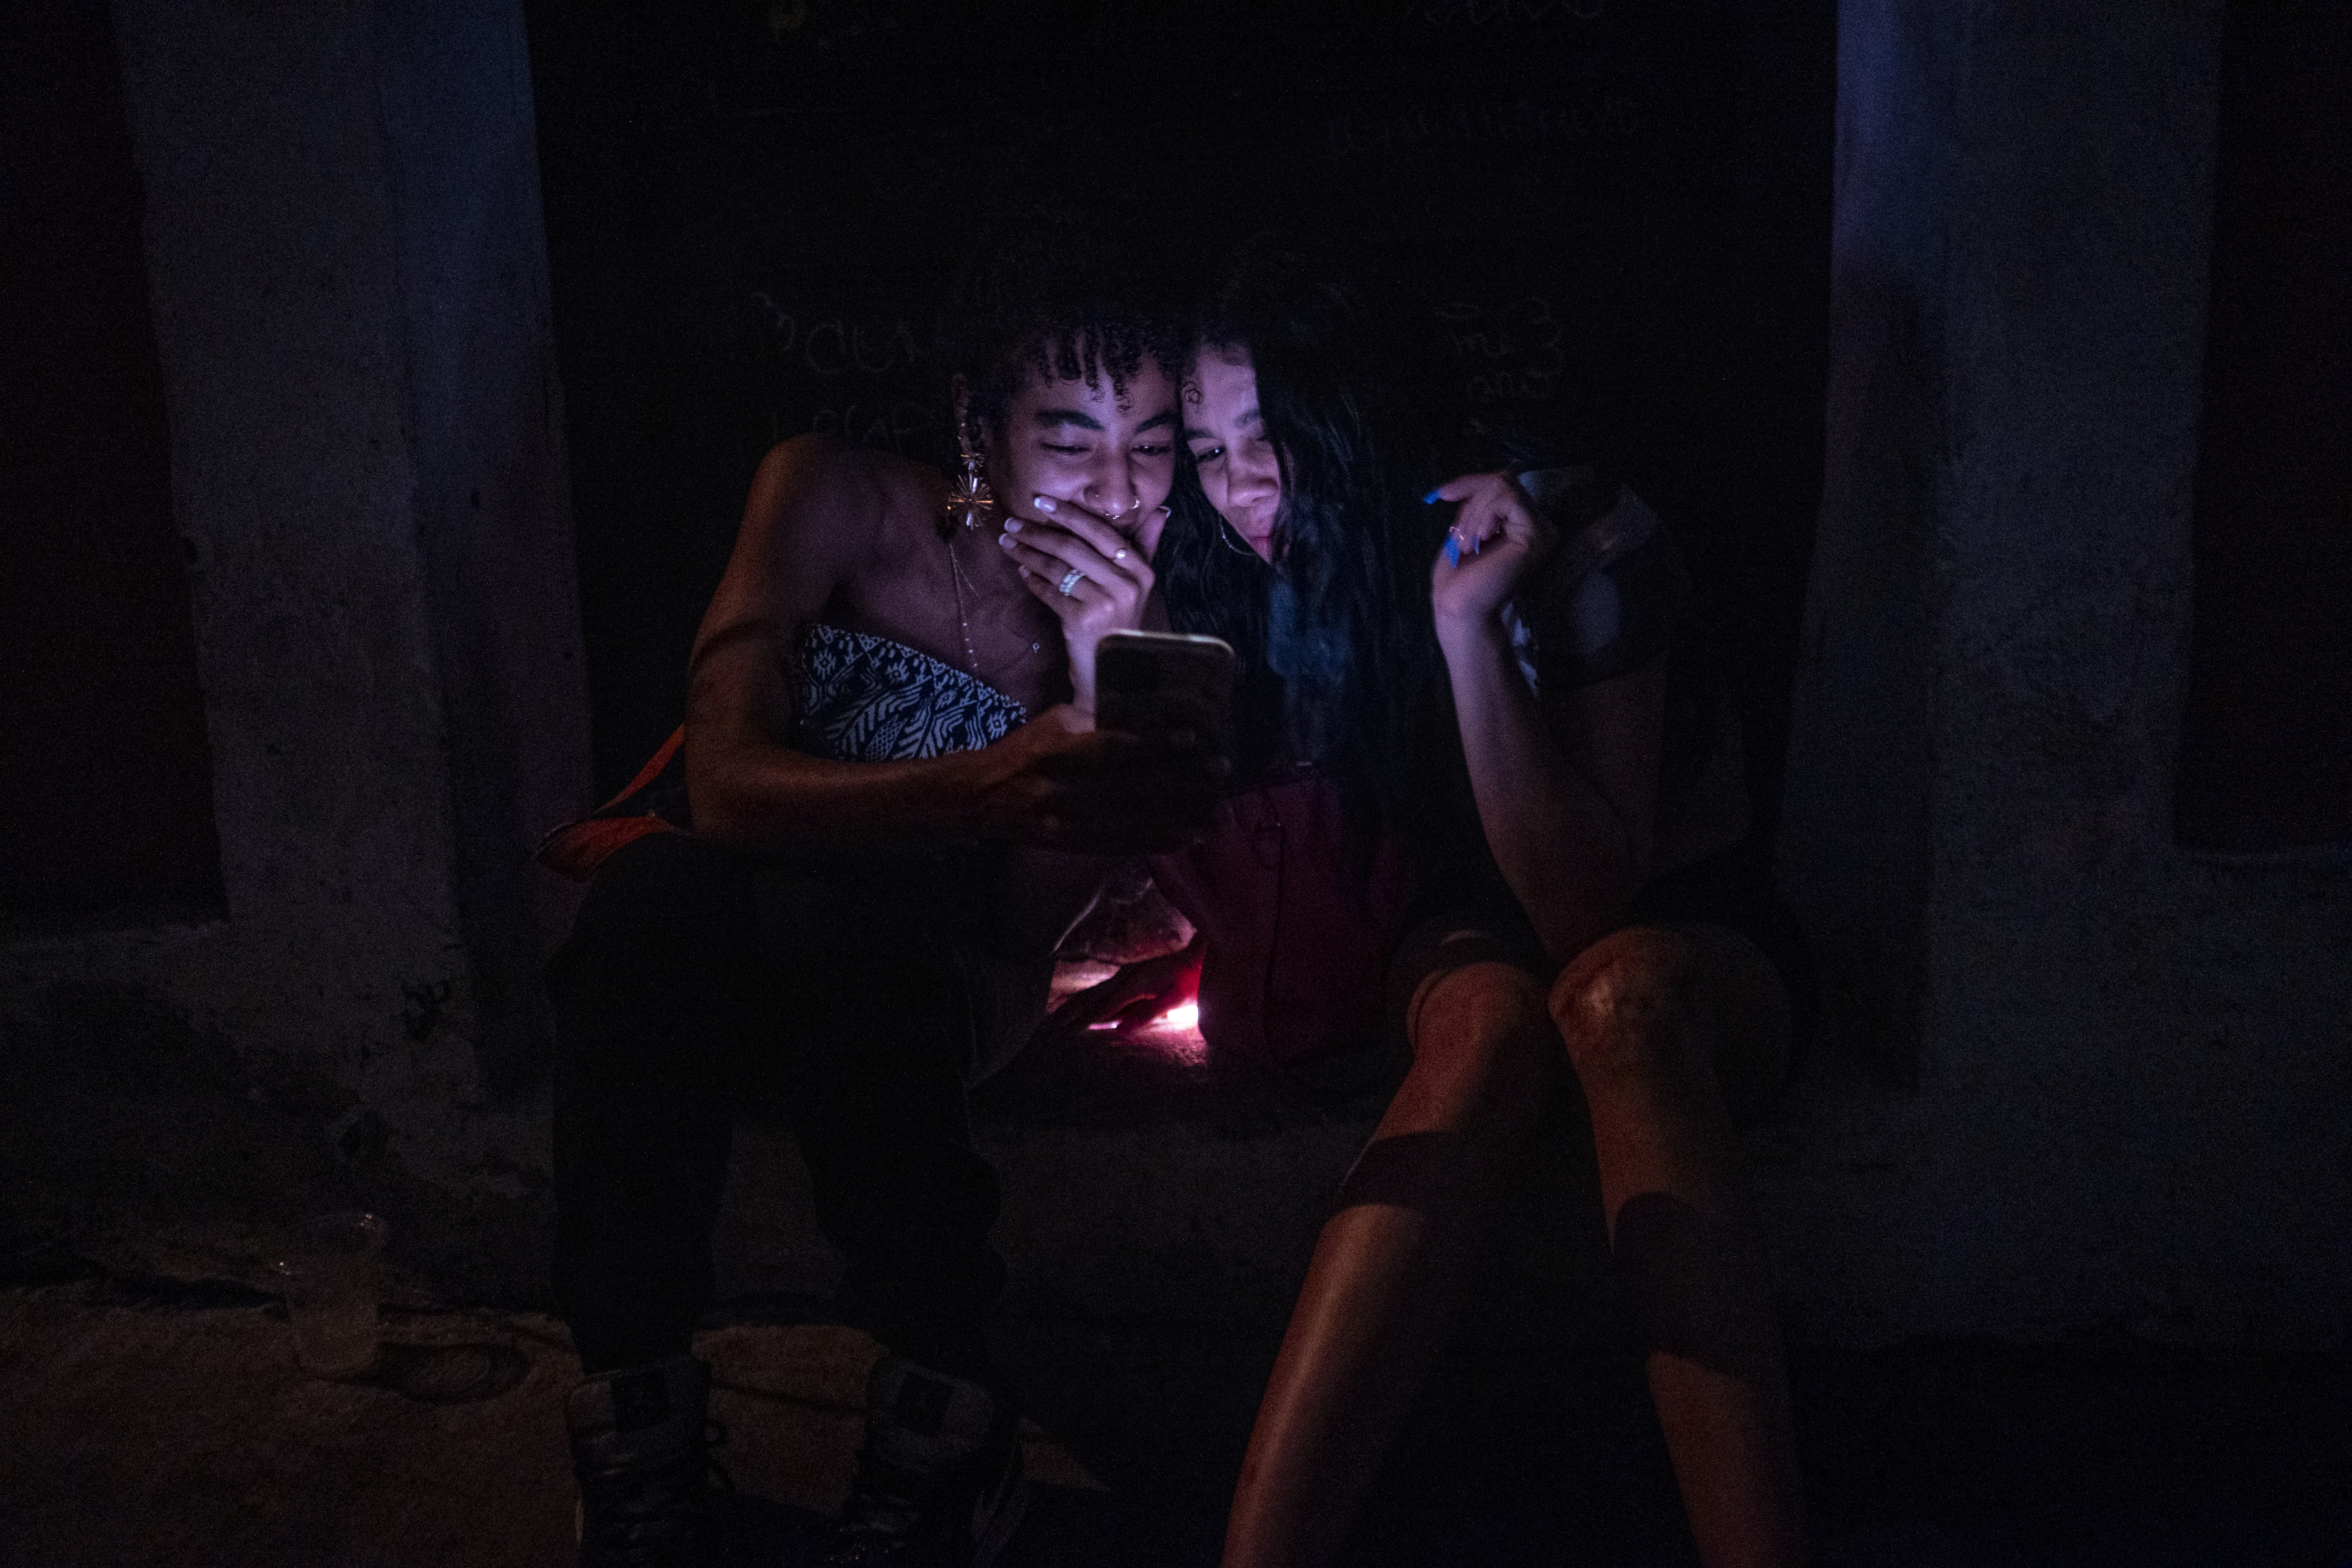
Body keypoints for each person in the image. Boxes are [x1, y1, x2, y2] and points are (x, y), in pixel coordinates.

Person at [539, 230, 1216, 1568]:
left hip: (928, 994)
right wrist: (986, 780)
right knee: (648, 910)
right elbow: (727, 783)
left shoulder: (1157, 621)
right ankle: (636, 1427)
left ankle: (943, 1425)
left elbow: (1023, 934)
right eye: (1071, 437)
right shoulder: (831, 494)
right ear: (980, 423)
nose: (1118, 486)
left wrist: (1096, 683)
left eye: (1152, 446)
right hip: (718, 956)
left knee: (847, 929)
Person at [1136, 249, 1814, 1566]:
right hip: (1460, 934)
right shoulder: (1261, 578)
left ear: (1363, 416)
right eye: (1209, 455)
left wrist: (1465, 630)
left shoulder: (1573, 534)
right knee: (1494, 1020)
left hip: (1688, 925)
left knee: (1619, 1000)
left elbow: (1584, 901)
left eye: (1270, 439)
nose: (1241, 491)